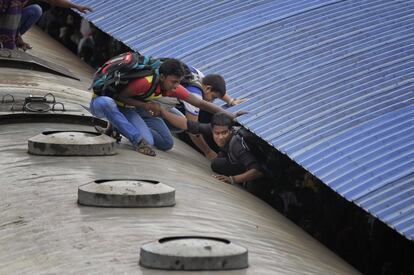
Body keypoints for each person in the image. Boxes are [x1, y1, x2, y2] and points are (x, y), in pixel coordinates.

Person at [90, 58, 238, 157]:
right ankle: (134, 137)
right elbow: (121, 97)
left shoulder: (173, 86)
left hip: (135, 107)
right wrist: (146, 105)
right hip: (112, 104)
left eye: (178, 82)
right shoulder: (145, 82)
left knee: (167, 143)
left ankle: (125, 127)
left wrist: (229, 115)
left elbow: (199, 103)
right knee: (146, 140)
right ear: (162, 77)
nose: (176, 86)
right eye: (173, 82)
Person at [157, 109, 263, 185]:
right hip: (236, 161)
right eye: (217, 133)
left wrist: (232, 179)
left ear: (231, 130)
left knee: (217, 164)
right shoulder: (214, 128)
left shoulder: (237, 145)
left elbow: (257, 171)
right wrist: (163, 112)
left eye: (224, 133)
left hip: (259, 177)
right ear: (212, 130)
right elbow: (189, 125)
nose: (220, 137)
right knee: (217, 163)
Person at [178, 68, 245, 160]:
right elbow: (192, 129)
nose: (212, 101)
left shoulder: (199, 76)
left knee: (209, 110)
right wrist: (208, 152)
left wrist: (231, 100)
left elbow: (216, 87)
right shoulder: (194, 93)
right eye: (213, 97)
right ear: (208, 88)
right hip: (167, 105)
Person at [0, 0, 92, 50]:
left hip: (8, 21)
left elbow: (54, 1)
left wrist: (76, 6)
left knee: (36, 10)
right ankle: (7, 40)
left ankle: (11, 39)